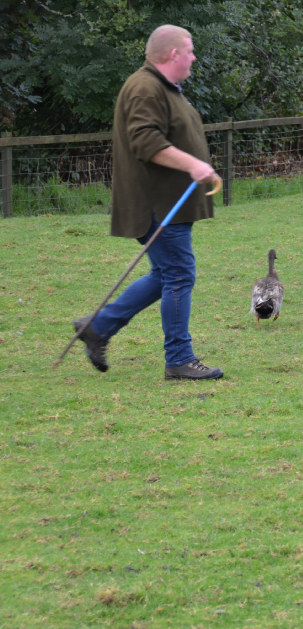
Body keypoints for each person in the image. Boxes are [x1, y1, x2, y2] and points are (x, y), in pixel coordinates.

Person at [74, 24, 224, 380]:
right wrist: (194, 164)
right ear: (173, 54)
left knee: (167, 274)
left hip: (169, 202)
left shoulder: (164, 88)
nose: (194, 56)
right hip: (158, 205)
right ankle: (179, 359)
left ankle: (97, 327)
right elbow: (145, 141)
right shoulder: (145, 88)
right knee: (178, 274)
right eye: (189, 50)